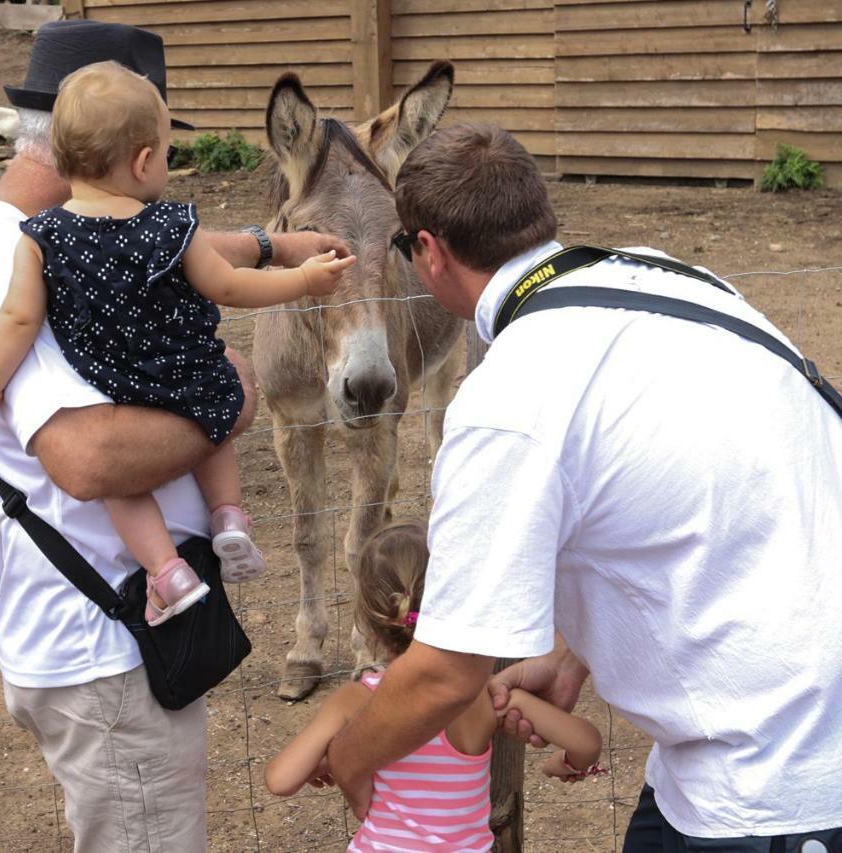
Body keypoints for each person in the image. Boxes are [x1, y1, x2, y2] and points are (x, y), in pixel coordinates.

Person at [322, 122, 842, 850]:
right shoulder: (669, 279)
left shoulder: (508, 397)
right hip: (738, 747)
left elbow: (444, 671)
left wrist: (349, 756)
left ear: (430, 251)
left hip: (781, 778)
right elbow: (676, 477)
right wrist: (571, 653)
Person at [0, 20, 350, 853]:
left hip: (105, 635)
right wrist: (228, 395)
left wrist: (270, 243)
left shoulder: (49, 241)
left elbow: (167, 244)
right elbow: (90, 459)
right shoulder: (4, 263)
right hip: (109, 651)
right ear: (136, 156)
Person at [0, 61, 354, 626]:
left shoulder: (41, 237)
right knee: (214, 419)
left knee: (125, 488)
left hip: (112, 387)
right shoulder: (173, 226)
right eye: (168, 154)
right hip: (187, 369)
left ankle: (167, 573)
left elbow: (18, 320)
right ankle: (229, 517)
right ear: (144, 160)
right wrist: (304, 279)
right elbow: (229, 286)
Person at [265, 522, 603, 852]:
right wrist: (565, 764)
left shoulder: (353, 700)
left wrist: (325, 759)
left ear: (367, 620)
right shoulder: (482, 697)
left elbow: (280, 780)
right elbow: (586, 743)